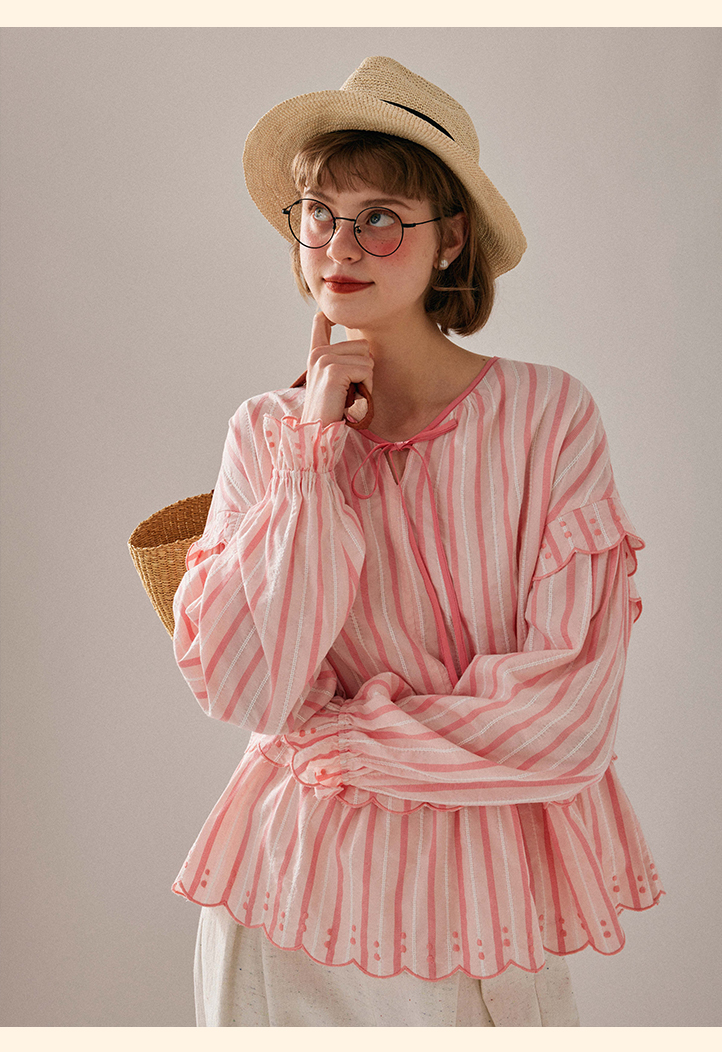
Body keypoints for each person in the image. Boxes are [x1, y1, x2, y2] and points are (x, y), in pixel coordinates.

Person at [171, 56, 663, 1027]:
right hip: (284, 903)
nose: (339, 245)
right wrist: (314, 452)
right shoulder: (268, 435)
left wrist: (335, 739)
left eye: (382, 217)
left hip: (482, 909)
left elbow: (565, 719)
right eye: (320, 213)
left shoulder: (548, 418)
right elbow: (247, 689)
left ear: (452, 239)